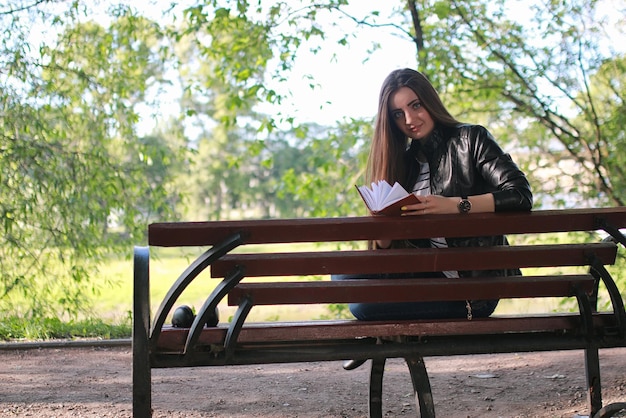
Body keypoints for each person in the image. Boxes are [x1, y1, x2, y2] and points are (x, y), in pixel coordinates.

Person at [332, 68, 533, 369]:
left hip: (471, 291)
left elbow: (520, 195)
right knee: (342, 274)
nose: (410, 120)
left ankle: (376, 334)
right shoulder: (407, 164)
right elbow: (406, 247)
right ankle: (377, 333)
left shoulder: (470, 140)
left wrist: (456, 205)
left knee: (362, 304)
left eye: (415, 105)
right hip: (429, 280)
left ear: (430, 101)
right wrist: (385, 239)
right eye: (398, 114)